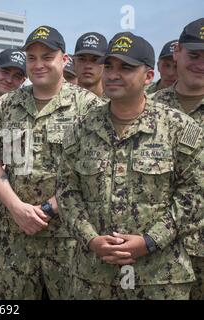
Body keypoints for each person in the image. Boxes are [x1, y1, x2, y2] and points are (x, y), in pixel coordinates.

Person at [57, 31, 204, 300]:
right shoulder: (81, 129)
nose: (113, 74)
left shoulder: (180, 127)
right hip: (93, 274)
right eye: (109, 66)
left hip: (160, 277)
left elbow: (194, 195)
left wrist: (149, 241)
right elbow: (67, 192)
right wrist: (91, 239)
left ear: (148, 76)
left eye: (126, 67)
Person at [0, 25, 103, 300]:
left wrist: (48, 208)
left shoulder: (90, 108)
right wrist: (17, 207)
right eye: (31, 58)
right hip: (14, 236)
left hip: (70, 238)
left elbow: (93, 171)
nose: (38, 64)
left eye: (47, 57)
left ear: (64, 59)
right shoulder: (2, 107)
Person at [152, 18, 204, 300]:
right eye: (194, 55)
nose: (200, 63)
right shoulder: (148, 108)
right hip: (159, 254)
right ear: (177, 52)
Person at [73, 32, 108, 98]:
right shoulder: (59, 101)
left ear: (105, 65)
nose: (88, 66)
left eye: (95, 60)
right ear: (74, 63)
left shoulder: (116, 103)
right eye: (82, 59)